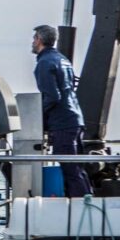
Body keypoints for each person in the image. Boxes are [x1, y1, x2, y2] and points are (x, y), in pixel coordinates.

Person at [31, 24, 93, 197]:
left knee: (69, 170)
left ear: (40, 40)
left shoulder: (44, 63)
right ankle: (89, 202)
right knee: (78, 169)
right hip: (75, 120)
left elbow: (51, 96)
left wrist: (37, 119)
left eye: (34, 38)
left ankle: (80, 209)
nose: (33, 42)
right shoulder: (63, 60)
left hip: (62, 123)